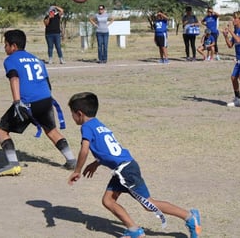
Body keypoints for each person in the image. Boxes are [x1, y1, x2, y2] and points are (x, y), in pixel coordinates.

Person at [67, 92, 202, 238]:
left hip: (126, 172)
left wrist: (77, 170)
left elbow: (84, 150)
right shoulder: (98, 124)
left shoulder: (86, 127)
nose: (72, 117)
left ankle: (189, 217)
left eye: (72, 114)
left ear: (79, 114)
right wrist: (96, 163)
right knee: (108, 201)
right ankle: (134, 230)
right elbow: (108, 150)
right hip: (123, 169)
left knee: (148, 204)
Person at [0, 29, 76, 177]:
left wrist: (17, 102)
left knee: (0, 129)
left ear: (13, 46)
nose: (4, 48)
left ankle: (13, 164)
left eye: (5, 45)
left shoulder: (10, 59)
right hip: (45, 99)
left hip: (27, 102)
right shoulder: (36, 59)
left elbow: (14, 78)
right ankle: (71, 160)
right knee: (51, 130)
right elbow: (47, 82)